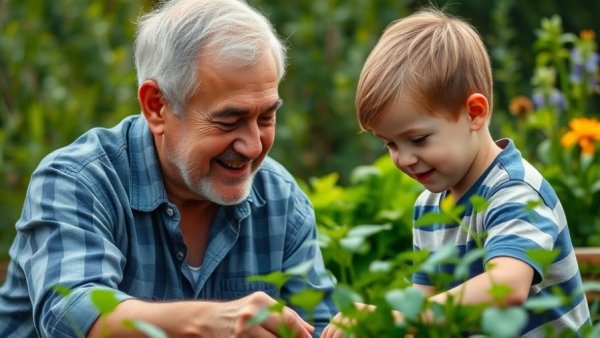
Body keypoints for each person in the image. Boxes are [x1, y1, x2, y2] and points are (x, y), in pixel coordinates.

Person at [0, 0, 337, 337]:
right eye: (229, 121)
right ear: (156, 106)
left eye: (266, 117)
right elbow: (73, 316)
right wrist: (211, 323)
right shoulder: (78, 181)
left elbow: (318, 325)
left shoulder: (280, 200)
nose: (252, 145)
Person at [322, 8, 590, 338]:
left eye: (417, 139)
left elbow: (507, 286)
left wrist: (398, 320)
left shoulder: (516, 191)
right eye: (389, 144)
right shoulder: (429, 207)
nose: (403, 158)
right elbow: (424, 306)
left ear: (474, 114)